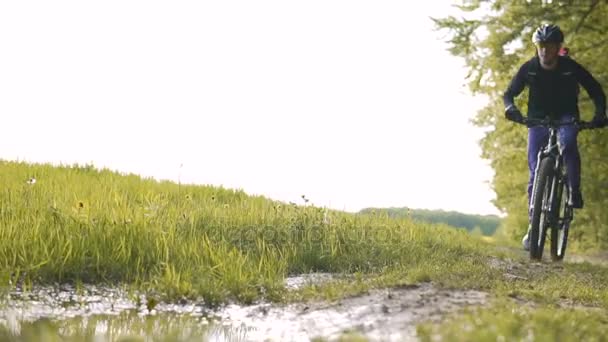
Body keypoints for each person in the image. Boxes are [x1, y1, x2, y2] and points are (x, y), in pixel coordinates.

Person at [502, 24, 607, 250]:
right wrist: (510, 108)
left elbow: (595, 90)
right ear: (536, 47)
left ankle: (573, 191)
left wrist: (600, 114)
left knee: (568, 144)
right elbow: (509, 93)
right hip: (537, 119)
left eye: (549, 46)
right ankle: (533, 226)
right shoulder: (529, 68)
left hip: (567, 117)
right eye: (540, 46)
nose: (544, 51)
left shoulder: (570, 67)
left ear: (558, 47)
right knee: (534, 168)